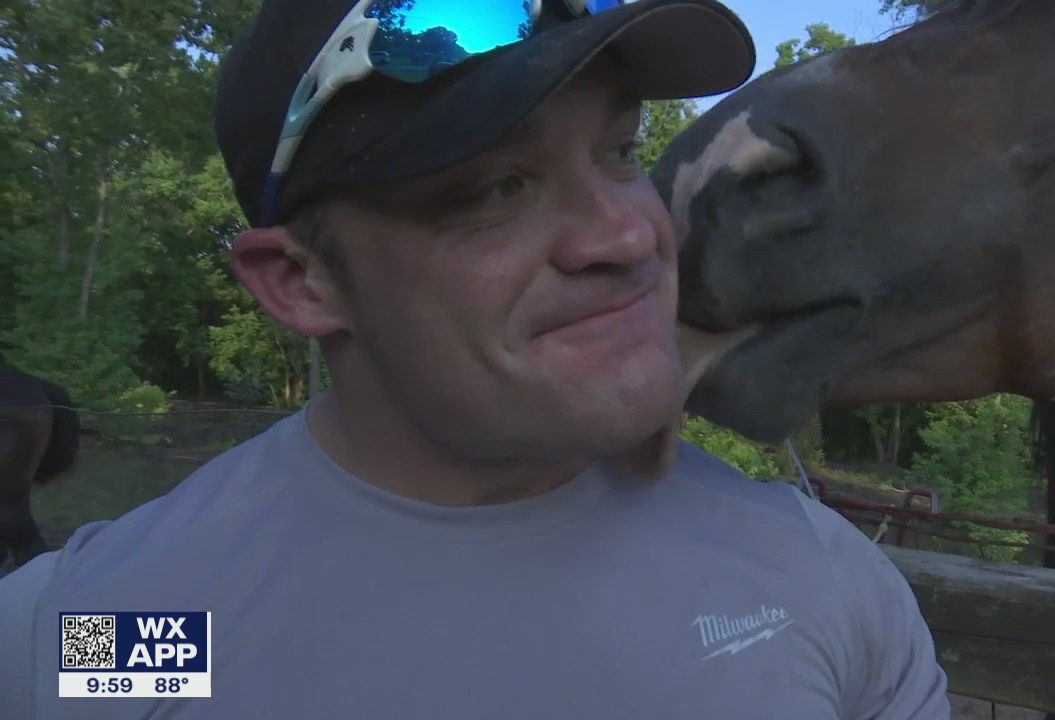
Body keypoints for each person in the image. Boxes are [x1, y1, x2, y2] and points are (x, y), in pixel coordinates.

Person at [0, 0, 951, 717]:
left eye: (620, 151)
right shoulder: (109, 631)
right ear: (299, 283)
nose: (628, 235)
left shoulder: (818, 579)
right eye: (498, 188)